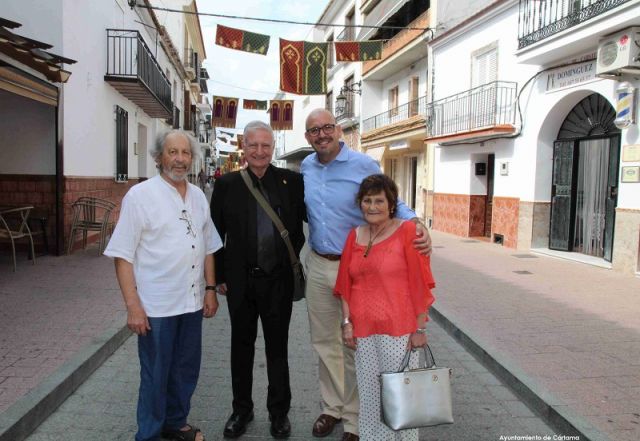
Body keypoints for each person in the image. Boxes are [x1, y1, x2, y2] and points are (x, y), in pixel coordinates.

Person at [301, 108, 432, 441]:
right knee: (325, 343)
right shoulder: (306, 166)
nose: (322, 135)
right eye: (314, 130)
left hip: (359, 269)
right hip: (319, 263)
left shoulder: (363, 164)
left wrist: (417, 225)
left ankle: (355, 420)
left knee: (353, 346)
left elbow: (391, 201)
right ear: (308, 137)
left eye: (327, 127)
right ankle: (332, 407)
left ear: (339, 130)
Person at [104, 130, 223, 441]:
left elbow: (209, 246)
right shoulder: (140, 196)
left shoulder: (198, 196)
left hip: (192, 302)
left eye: (185, 153)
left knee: (185, 370)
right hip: (156, 306)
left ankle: (175, 423)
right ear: (159, 157)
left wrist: (210, 290)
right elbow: (122, 256)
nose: (180, 159)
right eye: (173, 152)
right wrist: (133, 307)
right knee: (155, 375)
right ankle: (149, 434)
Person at [211, 121, 306, 439]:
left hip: (278, 281)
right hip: (240, 283)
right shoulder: (226, 185)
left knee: (277, 349)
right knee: (241, 347)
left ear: (273, 148)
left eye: (266, 145)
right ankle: (241, 410)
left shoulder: (292, 182)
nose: (260, 151)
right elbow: (214, 234)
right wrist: (220, 276)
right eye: (253, 145)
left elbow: (313, 219)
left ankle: (279, 413)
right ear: (244, 147)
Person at [335, 174, 435, 440]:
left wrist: (420, 328)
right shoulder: (354, 236)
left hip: (399, 332)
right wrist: (347, 324)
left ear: (392, 204)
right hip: (363, 331)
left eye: (379, 200)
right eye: (367, 200)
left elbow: (419, 284)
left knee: (401, 397)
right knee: (369, 397)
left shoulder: (408, 232)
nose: (372, 206)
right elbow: (345, 284)